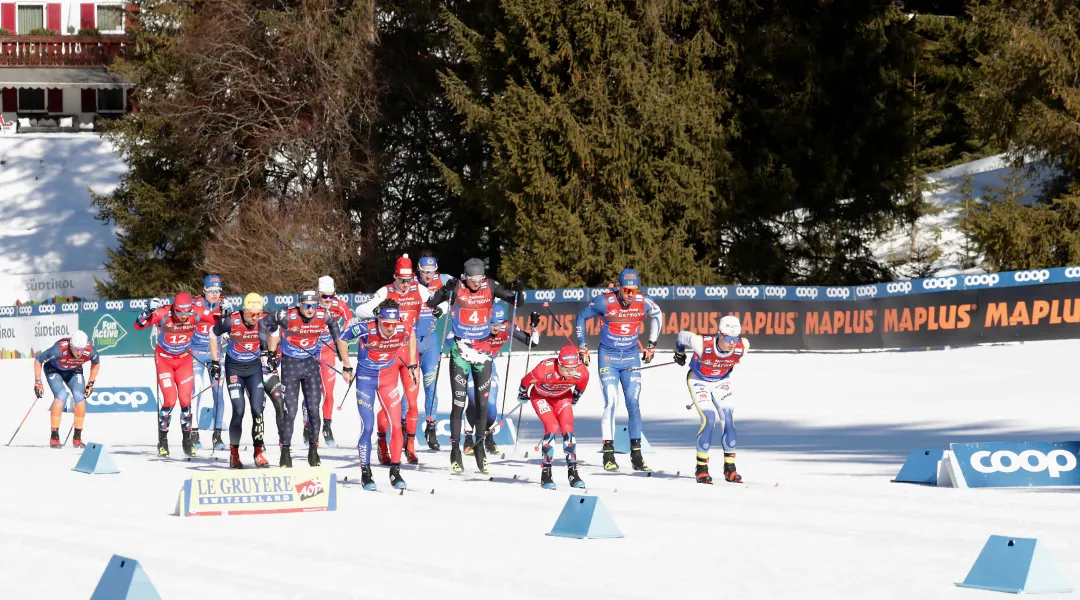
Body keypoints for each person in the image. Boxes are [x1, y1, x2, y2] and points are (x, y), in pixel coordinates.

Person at [425, 258, 522, 475]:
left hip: (483, 352)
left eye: (479, 279)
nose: (476, 284)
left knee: (482, 403)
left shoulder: (491, 286)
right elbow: (431, 303)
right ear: (465, 277)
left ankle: (480, 448)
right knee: (458, 403)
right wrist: (444, 290)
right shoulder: (457, 287)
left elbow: (516, 302)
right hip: (460, 350)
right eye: (472, 280)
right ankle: (455, 450)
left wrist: (519, 291)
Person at [356, 255, 445, 464]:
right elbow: (360, 310)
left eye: (408, 280)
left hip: (409, 352)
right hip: (388, 354)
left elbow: (440, 302)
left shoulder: (419, 290)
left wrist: (441, 307)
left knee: (412, 403)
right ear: (395, 276)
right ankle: (382, 444)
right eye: (402, 280)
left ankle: (410, 446)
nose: (405, 285)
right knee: (389, 405)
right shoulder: (385, 291)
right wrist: (377, 311)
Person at [574, 268, 662, 472]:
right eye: (627, 291)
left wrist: (651, 344)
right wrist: (582, 346)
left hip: (630, 356)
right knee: (611, 402)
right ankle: (609, 454)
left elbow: (657, 315)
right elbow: (581, 317)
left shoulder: (643, 302)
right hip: (609, 358)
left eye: (635, 290)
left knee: (633, 403)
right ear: (619, 288)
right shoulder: (604, 301)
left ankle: (636, 455)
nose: (631, 295)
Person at [259, 291, 354, 468]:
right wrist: (266, 351)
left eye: (314, 305)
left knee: (313, 409)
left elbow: (336, 329)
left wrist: (343, 358)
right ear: (300, 305)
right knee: (291, 410)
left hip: (310, 365)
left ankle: (313, 450)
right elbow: (263, 323)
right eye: (307, 306)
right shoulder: (287, 315)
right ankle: (285, 451)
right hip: (291, 365)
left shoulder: (323, 314)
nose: (311, 309)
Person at [340, 300, 419, 490]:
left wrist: (413, 364)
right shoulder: (366, 328)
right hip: (366, 380)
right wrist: (346, 365)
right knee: (367, 426)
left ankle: (395, 471)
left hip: (388, 378)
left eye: (394, 323)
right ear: (379, 319)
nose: (391, 328)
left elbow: (411, 336)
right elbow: (343, 338)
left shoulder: (403, 327)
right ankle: (366, 472)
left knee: (396, 426)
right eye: (386, 324)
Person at [674, 315, 747, 484]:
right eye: (728, 338)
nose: (732, 343)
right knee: (709, 418)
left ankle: (730, 468)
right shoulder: (701, 343)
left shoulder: (743, 346)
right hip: (698, 380)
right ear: (720, 334)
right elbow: (681, 336)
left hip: (721, 381)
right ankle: (702, 469)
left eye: (735, 338)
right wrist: (679, 352)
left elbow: (731, 361)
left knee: (728, 418)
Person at [463, 304, 540, 455]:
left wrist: (534, 327)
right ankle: (468, 438)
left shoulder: (507, 327)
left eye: (499, 323)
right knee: (474, 400)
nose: (496, 328)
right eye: (492, 324)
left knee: (490, 405)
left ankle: (489, 437)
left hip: (489, 367)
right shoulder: (476, 328)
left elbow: (533, 343)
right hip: (471, 367)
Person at [134, 293, 203, 458]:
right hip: (164, 360)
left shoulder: (196, 313)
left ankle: (187, 442)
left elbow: (219, 320)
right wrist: (147, 311)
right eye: (180, 312)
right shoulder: (162, 313)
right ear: (174, 309)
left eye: (187, 312)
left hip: (184, 360)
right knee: (170, 400)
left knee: (186, 401)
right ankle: (163, 441)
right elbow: (138, 326)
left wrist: (226, 313)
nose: (184, 316)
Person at [210, 293, 271, 468]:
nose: (255, 318)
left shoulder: (264, 320)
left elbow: (274, 331)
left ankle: (258, 453)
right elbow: (212, 333)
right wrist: (215, 361)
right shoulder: (231, 321)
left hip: (254, 369)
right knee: (238, 409)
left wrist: (270, 353)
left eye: (258, 314)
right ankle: (234, 454)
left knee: (258, 410)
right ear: (243, 311)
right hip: (234, 368)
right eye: (251, 314)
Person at [517, 345, 590, 489]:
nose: (570, 372)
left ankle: (573, 472)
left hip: (562, 398)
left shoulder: (582, 372)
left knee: (567, 428)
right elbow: (525, 381)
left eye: (573, 368)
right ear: (559, 363)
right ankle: (546, 473)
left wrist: (572, 401)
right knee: (552, 427)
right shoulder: (544, 369)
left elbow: (579, 390)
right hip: (540, 397)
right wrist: (522, 394)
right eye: (566, 369)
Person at [306, 275, 354, 448]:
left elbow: (350, 318)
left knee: (328, 392)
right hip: (310, 351)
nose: (327, 299)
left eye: (330, 296)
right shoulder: (310, 303)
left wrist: (341, 335)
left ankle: (327, 426)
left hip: (327, 352)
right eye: (324, 296)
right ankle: (307, 425)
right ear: (318, 293)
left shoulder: (338, 304)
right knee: (311, 392)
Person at [33, 330, 99, 449]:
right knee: (61, 395)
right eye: (77, 349)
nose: (80, 353)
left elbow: (96, 363)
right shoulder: (58, 350)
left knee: (80, 397)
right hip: (54, 369)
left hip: (73, 370)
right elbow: (39, 359)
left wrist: (91, 383)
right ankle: (54, 436)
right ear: (71, 346)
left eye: (82, 349)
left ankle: (77, 438)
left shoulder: (89, 350)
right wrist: (38, 382)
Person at [415, 251, 452, 451]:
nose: (428, 276)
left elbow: (464, 290)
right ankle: (406, 431)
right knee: (410, 388)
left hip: (431, 341)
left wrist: (444, 307)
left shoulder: (444, 279)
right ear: (418, 270)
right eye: (424, 272)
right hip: (411, 340)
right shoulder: (410, 282)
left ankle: (431, 427)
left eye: (431, 272)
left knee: (431, 386)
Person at [191, 275, 228, 450]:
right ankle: (194, 433)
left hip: (215, 354)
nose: (215, 295)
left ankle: (217, 435)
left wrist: (228, 314)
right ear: (203, 290)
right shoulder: (195, 304)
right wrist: (220, 315)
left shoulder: (225, 305)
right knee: (197, 391)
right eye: (211, 291)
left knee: (218, 393)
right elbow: (204, 317)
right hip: (196, 353)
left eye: (218, 291)